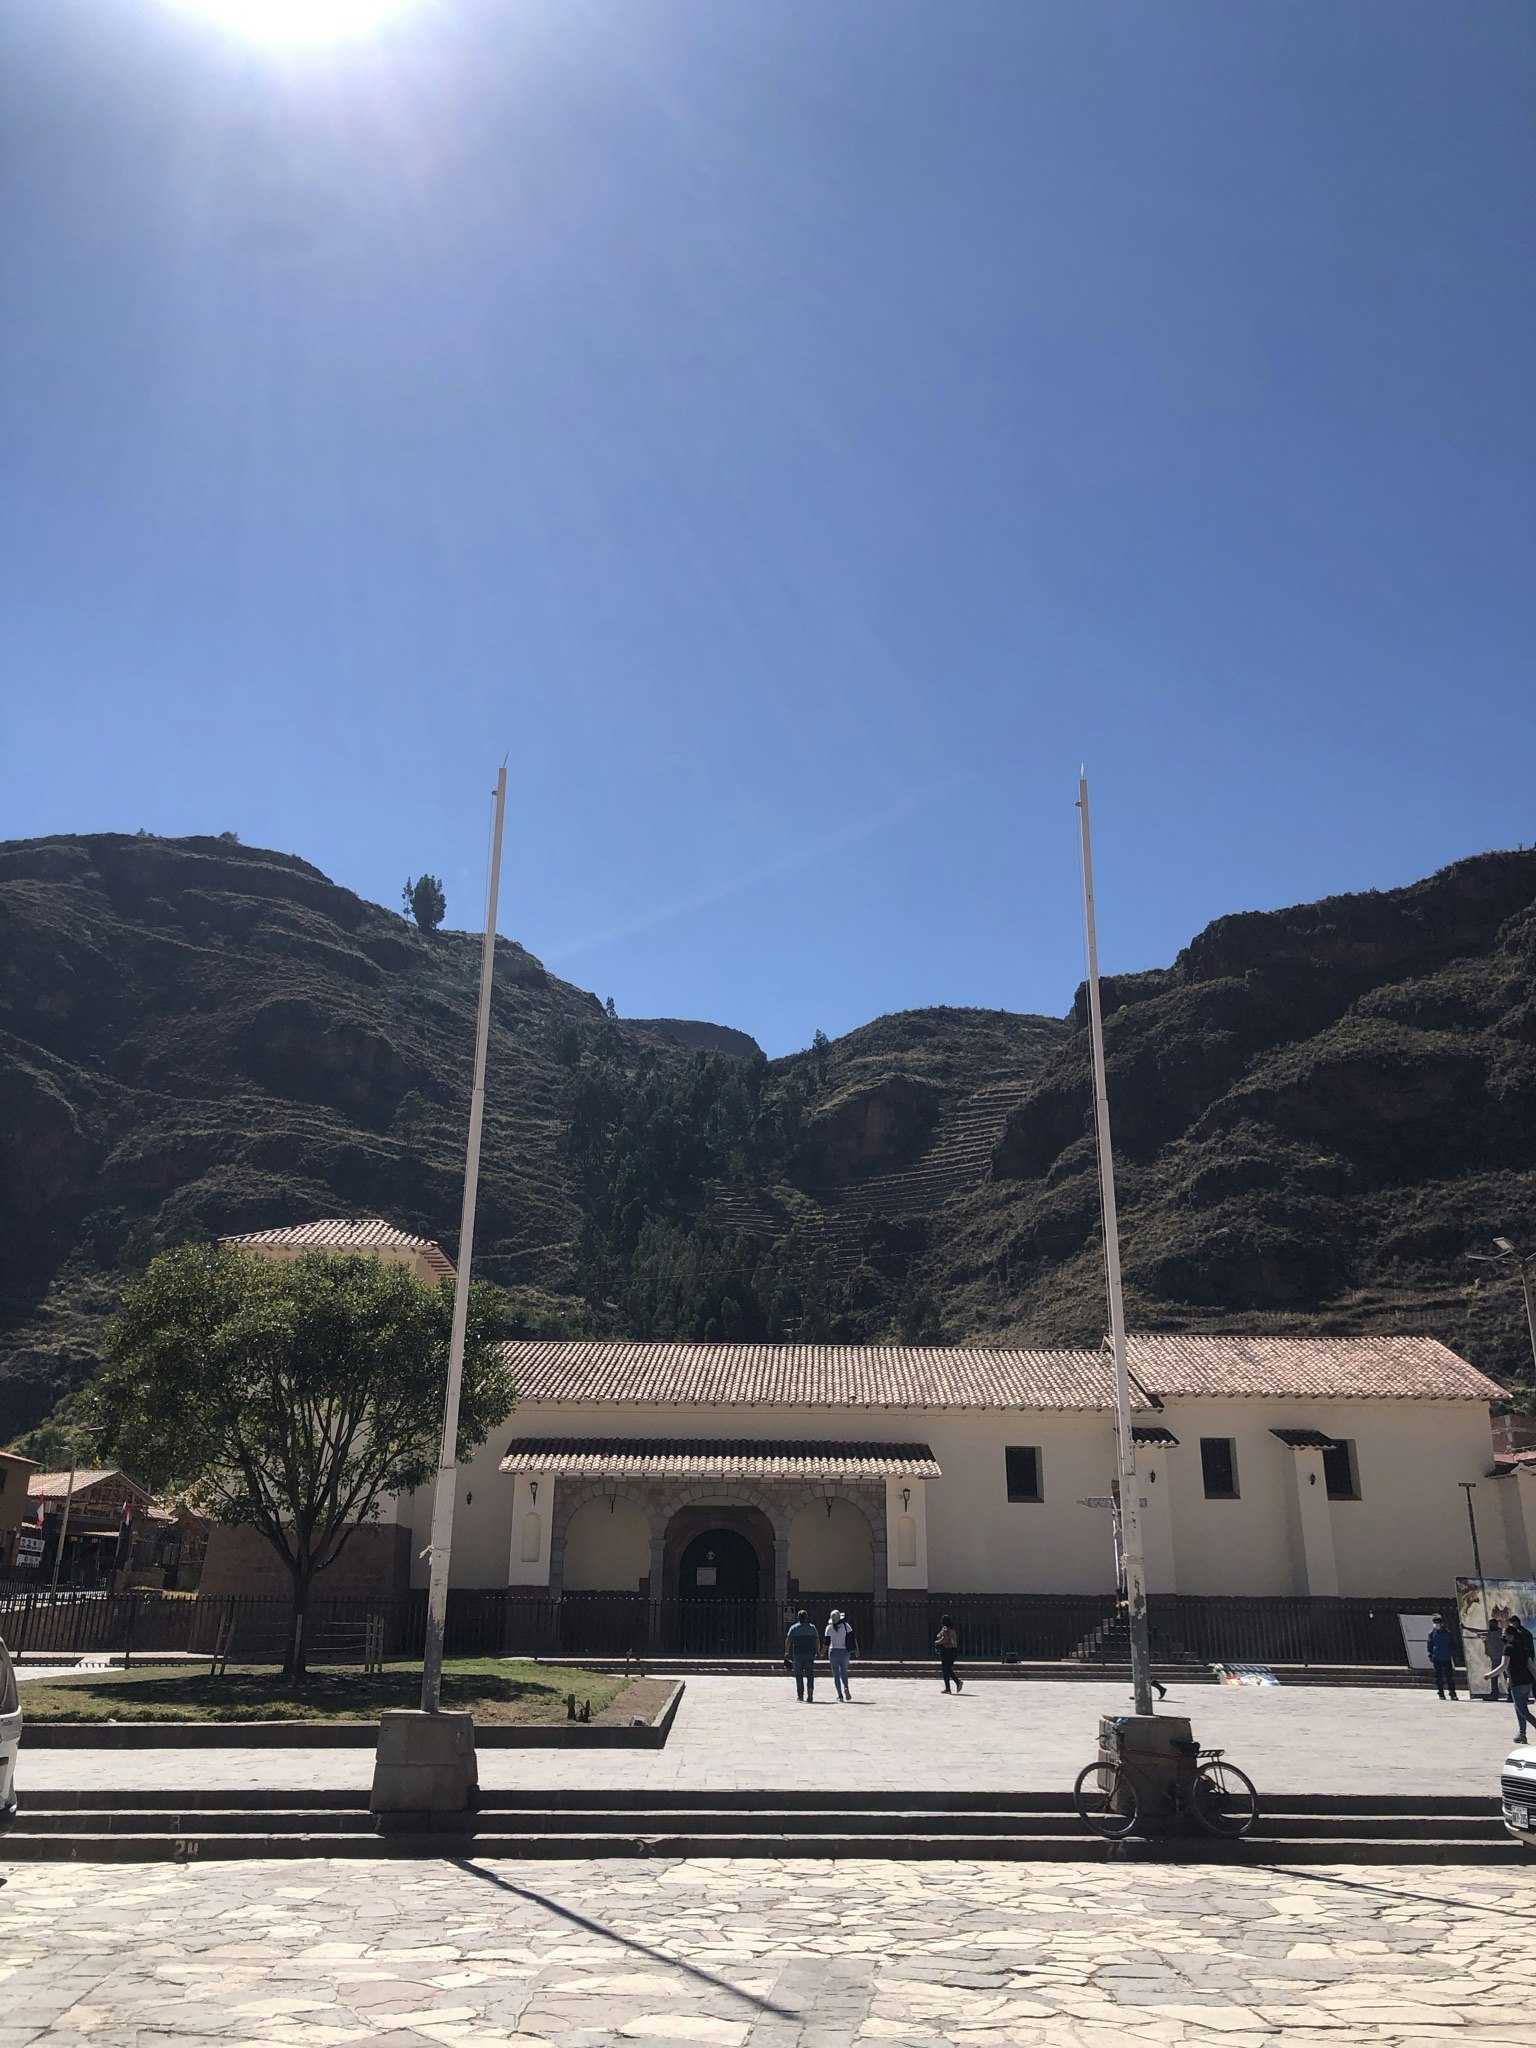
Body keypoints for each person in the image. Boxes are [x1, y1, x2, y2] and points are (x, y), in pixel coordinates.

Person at [1498, 1615, 1535, 1744]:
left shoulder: (1508, 1648)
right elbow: (1531, 1666)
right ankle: (1522, 1734)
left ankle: (1524, 1732)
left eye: (1505, 1634)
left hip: (1517, 1682)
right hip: (1526, 1681)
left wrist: (1489, 1675)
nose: (1503, 1636)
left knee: (1522, 1710)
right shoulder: (1524, 1646)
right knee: (1519, 1708)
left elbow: (1504, 1666)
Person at [785, 1607, 819, 1703]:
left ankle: (800, 1695)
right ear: (806, 1617)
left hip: (798, 1654)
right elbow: (817, 1640)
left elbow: (788, 1640)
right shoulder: (812, 1628)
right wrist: (818, 1651)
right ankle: (810, 1690)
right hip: (809, 1653)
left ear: (798, 1617)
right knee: (810, 1674)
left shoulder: (794, 1628)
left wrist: (786, 1652)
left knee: (798, 1674)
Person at [824, 1608, 857, 1701]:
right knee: (844, 1672)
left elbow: (826, 1642)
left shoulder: (829, 1628)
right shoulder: (846, 1626)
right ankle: (846, 1687)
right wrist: (856, 1650)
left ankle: (840, 1695)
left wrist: (821, 1653)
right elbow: (852, 1638)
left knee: (836, 1674)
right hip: (844, 1651)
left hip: (833, 1651)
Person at [1425, 1615, 1458, 1700]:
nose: (1436, 1624)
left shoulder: (1448, 1633)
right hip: (1436, 1657)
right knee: (1438, 1677)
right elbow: (1429, 1645)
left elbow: (1452, 1645)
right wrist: (1430, 1655)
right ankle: (1441, 1693)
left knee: (1449, 1676)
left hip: (1446, 1657)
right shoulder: (1432, 1633)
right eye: (1434, 1622)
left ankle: (1452, 1693)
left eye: (1437, 1622)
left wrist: (1453, 1654)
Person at [934, 1614, 962, 1694]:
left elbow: (944, 1638)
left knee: (946, 1669)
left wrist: (937, 1642)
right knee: (947, 1669)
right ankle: (952, 1685)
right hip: (953, 1650)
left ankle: (954, 1684)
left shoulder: (945, 1629)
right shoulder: (952, 1629)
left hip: (948, 1650)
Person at [1484, 1617, 1506, 1703]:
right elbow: (1478, 1631)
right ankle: (1494, 1694)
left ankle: (1511, 1694)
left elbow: (1479, 1631)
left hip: (1503, 1657)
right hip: (1495, 1657)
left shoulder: (1500, 1632)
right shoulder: (1490, 1633)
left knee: (1507, 1676)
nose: (1491, 1626)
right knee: (1494, 1677)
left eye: (1492, 1624)